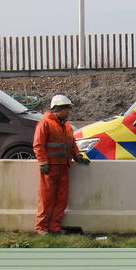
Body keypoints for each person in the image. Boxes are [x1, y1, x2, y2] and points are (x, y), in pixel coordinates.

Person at [33, 94, 89, 235]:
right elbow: (38, 145)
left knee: (61, 199)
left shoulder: (67, 127)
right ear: (58, 109)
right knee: (46, 199)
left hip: (63, 167)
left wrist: (77, 156)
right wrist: (43, 162)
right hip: (50, 168)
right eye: (67, 109)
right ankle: (41, 228)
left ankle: (54, 227)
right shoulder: (45, 123)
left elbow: (72, 144)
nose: (69, 112)